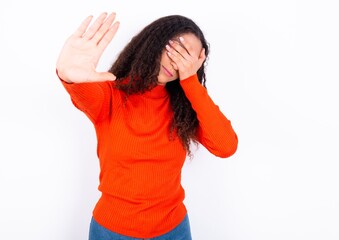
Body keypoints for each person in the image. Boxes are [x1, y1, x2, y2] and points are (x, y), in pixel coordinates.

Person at [56, 12, 238, 240]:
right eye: (175, 50)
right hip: (113, 231)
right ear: (155, 42)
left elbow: (226, 146)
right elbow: (80, 90)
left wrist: (190, 81)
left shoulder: (185, 109)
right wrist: (69, 75)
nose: (176, 62)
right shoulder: (112, 94)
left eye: (186, 58)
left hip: (174, 230)